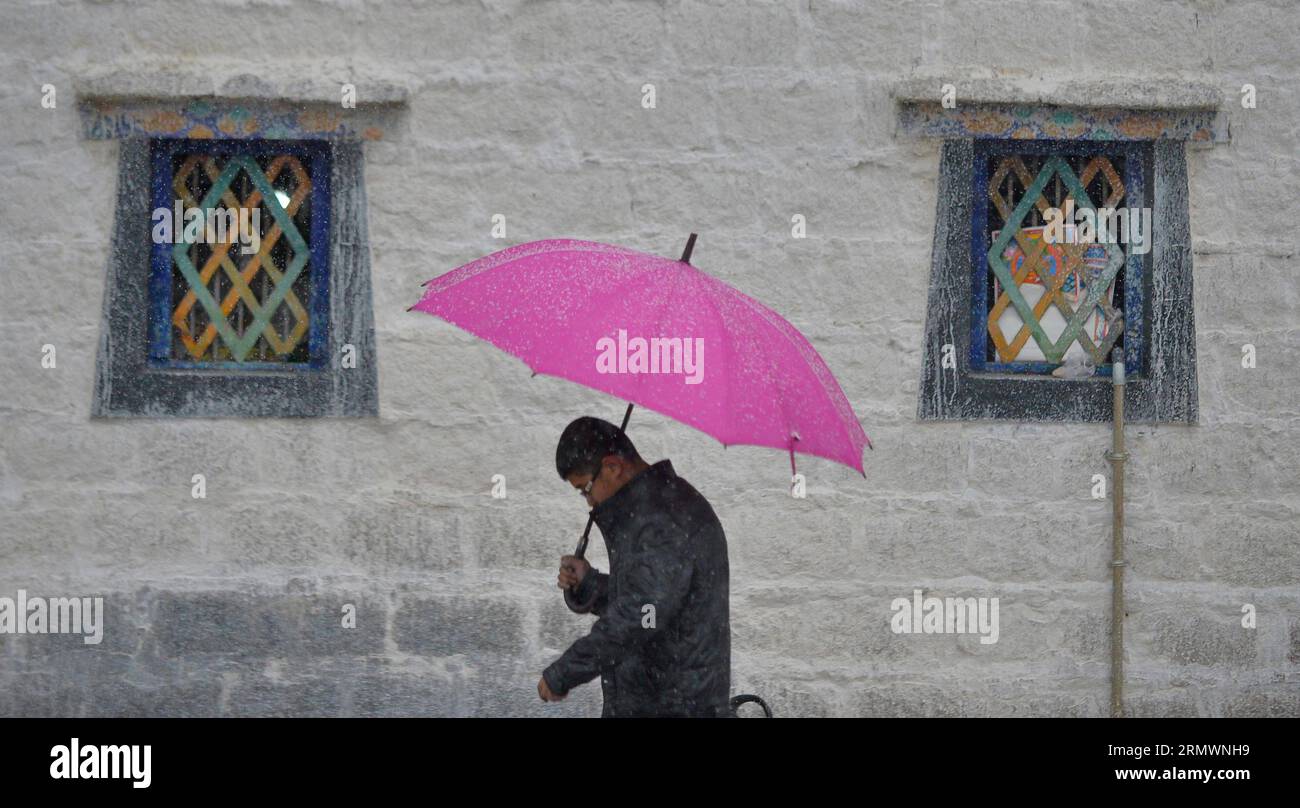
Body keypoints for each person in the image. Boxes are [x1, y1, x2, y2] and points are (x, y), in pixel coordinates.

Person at [538, 416, 731, 717]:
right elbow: (653, 604)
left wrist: (565, 672)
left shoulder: (665, 520)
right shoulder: (649, 510)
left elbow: (641, 615)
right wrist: (589, 583)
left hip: (673, 706)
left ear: (613, 467)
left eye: (585, 489)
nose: (588, 502)